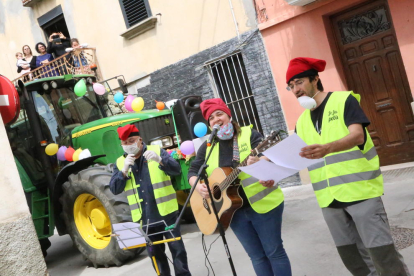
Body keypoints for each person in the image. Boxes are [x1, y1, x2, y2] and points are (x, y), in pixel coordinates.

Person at [286, 57, 410, 275]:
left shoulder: (344, 101)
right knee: (354, 262)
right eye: (291, 86)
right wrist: (263, 165)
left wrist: (328, 148)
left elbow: (357, 135)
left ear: (315, 79)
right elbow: (291, 153)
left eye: (299, 82)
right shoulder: (303, 121)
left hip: (360, 192)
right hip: (329, 200)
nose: (295, 89)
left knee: (384, 259)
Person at [188, 98, 291, 276]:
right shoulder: (208, 146)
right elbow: (193, 170)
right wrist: (197, 186)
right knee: (256, 256)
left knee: (274, 252)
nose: (216, 119)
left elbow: (269, 155)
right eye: (211, 118)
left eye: (219, 114)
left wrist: (259, 160)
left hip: (264, 204)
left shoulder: (249, 134)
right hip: (232, 211)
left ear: (228, 115)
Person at [109, 124, 191, 276]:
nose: (129, 145)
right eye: (125, 143)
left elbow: (176, 170)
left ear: (140, 139)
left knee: (177, 249)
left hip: (166, 212)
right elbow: (114, 189)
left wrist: (160, 160)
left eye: (131, 140)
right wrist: (123, 172)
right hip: (144, 218)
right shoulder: (120, 162)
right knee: (156, 255)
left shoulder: (156, 151)